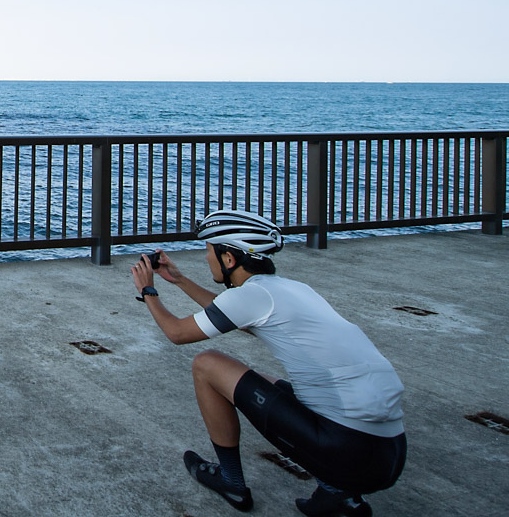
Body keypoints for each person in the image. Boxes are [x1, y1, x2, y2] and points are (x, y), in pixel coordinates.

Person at [130, 209, 407, 516]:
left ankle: (232, 482)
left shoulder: (252, 297)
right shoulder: (290, 289)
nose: (206, 258)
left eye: (209, 250)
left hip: (348, 449)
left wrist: (148, 290)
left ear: (230, 259)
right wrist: (180, 280)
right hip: (390, 451)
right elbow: (237, 317)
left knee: (206, 365)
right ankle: (336, 494)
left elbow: (177, 333)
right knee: (266, 381)